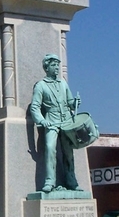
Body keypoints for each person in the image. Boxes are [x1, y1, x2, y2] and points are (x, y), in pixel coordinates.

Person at [30, 54, 81, 193]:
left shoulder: (63, 83)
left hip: (66, 121)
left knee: (68, 152)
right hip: (51, 121)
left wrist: (75, 103)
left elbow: (70, 102)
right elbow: (34, 107)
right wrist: (41, 120)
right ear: (47, 67)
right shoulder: (41, 86)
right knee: (50, 148)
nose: (57, 67)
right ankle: (49, 181)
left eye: (58, 65)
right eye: (54, 65)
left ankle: (71, 180)